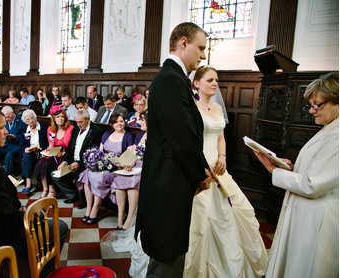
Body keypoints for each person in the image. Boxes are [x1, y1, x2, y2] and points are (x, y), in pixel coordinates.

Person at [137, 22, 212, 276]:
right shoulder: (170, 79)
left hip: (171, 182)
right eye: (200, 48)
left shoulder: (174, 78)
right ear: (183, 42)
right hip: (166, 185)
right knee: (166, 260)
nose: (203, 55)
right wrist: (201, 174)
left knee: (170, 256)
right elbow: (183, 138)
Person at [180, 65, 268, 277]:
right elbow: (189, 141)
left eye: (216, 80)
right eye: (210, 80)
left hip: (219, 167)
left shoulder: (218, 108)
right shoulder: (191, 108)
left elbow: (220, 137)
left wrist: (222, 157)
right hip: (200, 166)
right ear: (196, 83)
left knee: (230, 213)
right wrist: (202, 164)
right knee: (201, 216)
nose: (215, 84)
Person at [253, 72, 338, 278]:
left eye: (317, 104)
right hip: (308, 213)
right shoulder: (330, 129)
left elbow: (312, 185)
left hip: (319, 220)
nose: (311, 110)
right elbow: (318, 171)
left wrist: (275, 171)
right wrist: (292, 169)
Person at [0, 105, 68, 261]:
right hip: (1, 233)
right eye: (1, 127)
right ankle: (39, 270)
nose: (6, 131)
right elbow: (6, 217)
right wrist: (27, 214)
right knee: (59, 226)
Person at [82, 114, 133, 225]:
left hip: (117, 167)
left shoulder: (128, 136)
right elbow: (100, 151)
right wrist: (98, 161)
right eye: (116, 122)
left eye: (121, 121)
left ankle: (95, 209)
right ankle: (88, 208)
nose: (119, 124)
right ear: (112, 124)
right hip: (104, 164)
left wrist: (118, 163)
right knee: (87, 173)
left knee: (100, 177)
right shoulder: (107, 134)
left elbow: (129, 155)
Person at [54, 109, 103, 207]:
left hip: (86, 164)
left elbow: (95, 153)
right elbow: (69, 148)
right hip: (72, 161)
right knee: (55, 175)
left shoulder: (97, 131)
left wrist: (80, 164)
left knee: (77, 178)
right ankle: (73, 194)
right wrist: (64, 161)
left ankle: (83, 200)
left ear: (88, 119)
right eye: (76, 122)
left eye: (80, 122)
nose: (78, 125)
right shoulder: (76, 129)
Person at [112, 111, 147, 230]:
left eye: (142, 120)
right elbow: (134, 153)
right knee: (120, 177)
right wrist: (130, 163)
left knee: (134, 182)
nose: (140, 122)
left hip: (147, 167)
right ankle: (121, 215)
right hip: (136, 164)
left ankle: (130, 218)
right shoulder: (140, 135)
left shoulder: (157, 136)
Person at [33, 106, 74, 199]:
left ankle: (52, 189)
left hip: (66, 155)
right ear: (54, 119)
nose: (60, 119)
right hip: (54, 154)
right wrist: (47, 150)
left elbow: (71, 148)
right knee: (42, 161)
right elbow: (51, 145)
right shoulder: (50, 129)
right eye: (58, 117)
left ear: (65, 118)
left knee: (48, 163)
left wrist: (62, 154)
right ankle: (45, 188)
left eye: (62, 116)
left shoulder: (70, 129)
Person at [17, 110, 48, 194]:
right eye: (28, 119)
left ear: (35, 118)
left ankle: (40, 183)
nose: (31, 121)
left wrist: (40, 148)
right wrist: (25, 149)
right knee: (26, 155)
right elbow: (21, 145)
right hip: (30, 153)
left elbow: (48, 142)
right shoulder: (25, 129)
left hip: (40, 151)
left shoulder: (43, 127)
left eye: (32, 118)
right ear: (25, 122)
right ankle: (28, 183)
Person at [0, 106, 26, 176]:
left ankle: (7, 176)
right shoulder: (4, 121)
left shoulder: (21, 121)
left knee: (9, 155)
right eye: (5, 117)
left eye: (8, 117)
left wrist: (15, 137)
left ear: (13, 113)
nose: (7, 119)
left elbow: (25, 136)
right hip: (6, 144)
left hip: (17, 145)